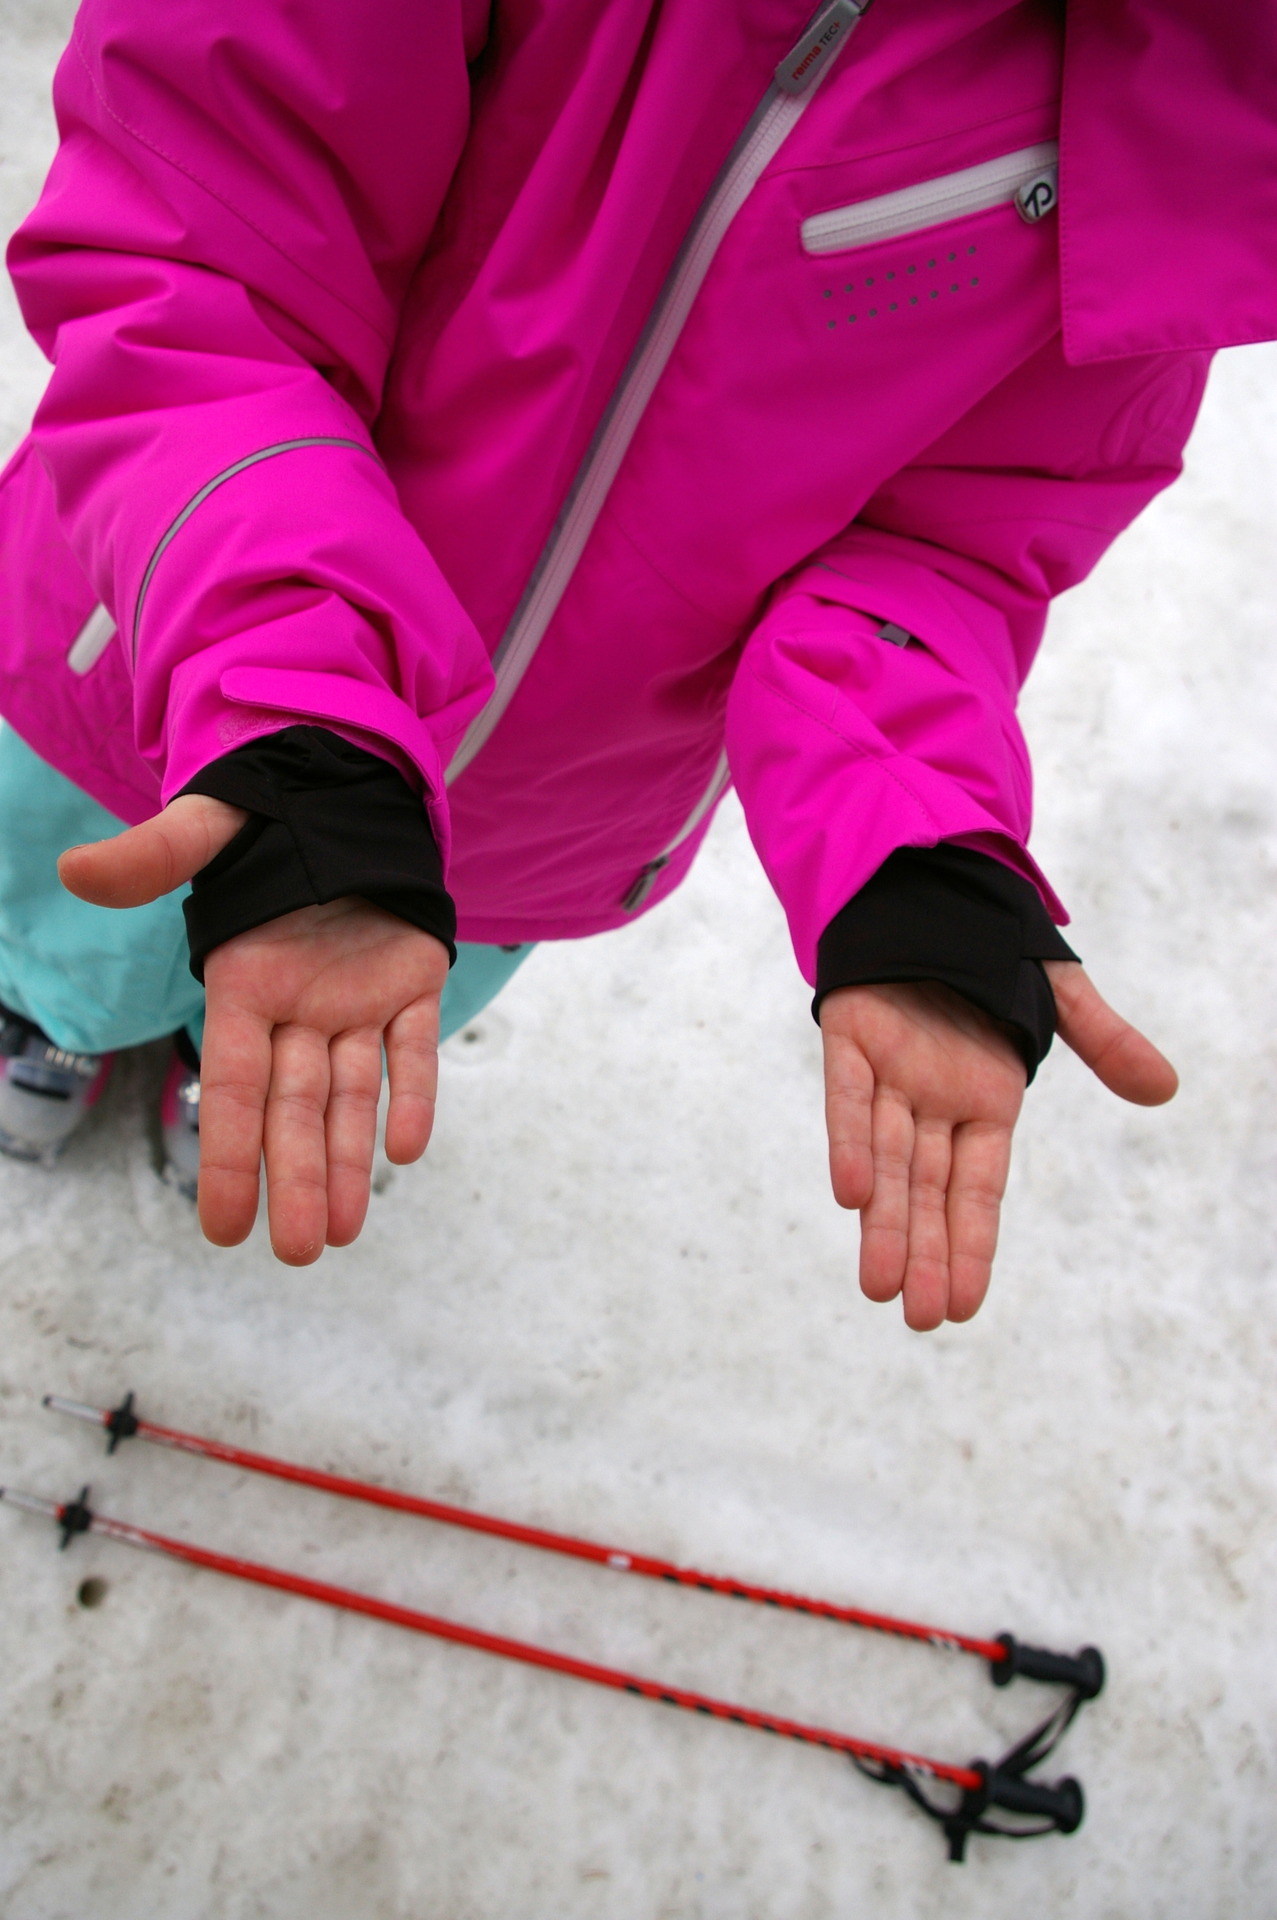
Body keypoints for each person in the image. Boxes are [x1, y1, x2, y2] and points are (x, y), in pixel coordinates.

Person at [0, 0, 1269, 1326]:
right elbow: (198, 261)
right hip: (176, 621)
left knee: (354, 977)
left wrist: (913, 842)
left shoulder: (1183, 118)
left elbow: (942, 554)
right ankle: (43, 1010)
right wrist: (295, 686)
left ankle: (229, 1047)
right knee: (75, 892)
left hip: (550, 801)